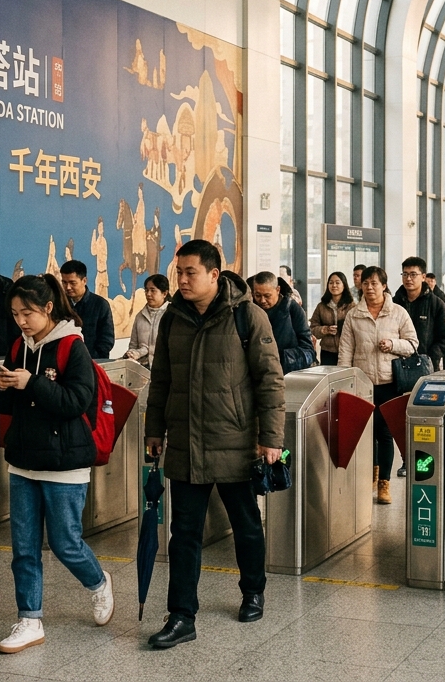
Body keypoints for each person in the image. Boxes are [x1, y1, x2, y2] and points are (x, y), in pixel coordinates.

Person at [144, 240, 285, 649]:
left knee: (246, 524)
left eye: (190, 272)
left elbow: (269, 380)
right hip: (187, 442)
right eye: (178, 272)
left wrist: (270, 438)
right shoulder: (172, 318)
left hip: (236, 440)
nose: (182, 280)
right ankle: (182, 615)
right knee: (183, 532)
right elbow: (161, 380)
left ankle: (253, 590)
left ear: (213, 275)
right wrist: (155, 429)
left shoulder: (248, 316)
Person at [0, 274, 115, 654]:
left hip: (66, 463)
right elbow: (7, 407)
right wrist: (2, 386)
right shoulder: (18, 347)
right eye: (15, 314)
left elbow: (75, 401)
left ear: (47, 308)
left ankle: (99, 583)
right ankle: (29, 619)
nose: (21, 321)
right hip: (23, 460)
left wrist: (31, 384)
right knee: (23, 546)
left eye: (27, 313)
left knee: (65, 542)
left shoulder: (72, 347)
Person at [339, 265, 418, 505]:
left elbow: (413, 344)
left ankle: (384, 482)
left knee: (384, 433)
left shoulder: (398, 312)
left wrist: (393, 344)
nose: (369, 288)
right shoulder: (354, 314)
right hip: (363, 383)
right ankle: (370, 476)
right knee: (365, 432)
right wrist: (344, 379)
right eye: (365, 283)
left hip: (388, 382)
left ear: (384, 285)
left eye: (374, 283)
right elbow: (346, 349)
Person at [394, 256, 445, 370]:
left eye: (413, 274)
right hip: (398, 366)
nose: (408, 279)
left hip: (427, 366)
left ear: (423, 277)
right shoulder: (394, 303)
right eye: (405, 274)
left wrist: (431, 357)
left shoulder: (436, 303)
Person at [250, 271, 315, 373]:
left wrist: (279, 357)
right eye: (257, 295)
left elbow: (308, 351)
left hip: (286, 375)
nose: (262, 300)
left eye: (267, 296)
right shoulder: (249, 310)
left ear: (278, 290)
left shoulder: (293, 309)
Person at [60, 260, 114, 359]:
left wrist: (89, 358)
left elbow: (107, 340)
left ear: (84, 281)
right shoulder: (60, 304)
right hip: (66, 361)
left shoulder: (100, 305)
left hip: (94, 362)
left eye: (72, 283)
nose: (68, 287)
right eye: (64, 282)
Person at [310, 271, 354, 366]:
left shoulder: (352, 306)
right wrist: (325, 330)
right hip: (327, 351)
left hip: (347, 350)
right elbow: (312, 329)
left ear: (344, 285)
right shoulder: (321, 306)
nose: (334, 285)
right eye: (331, 283)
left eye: (337, 282)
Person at [125, 274, 170, 368]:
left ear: (164, 293)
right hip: (144, 369)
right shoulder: (140, 316)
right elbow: (133, 345)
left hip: (165, 369)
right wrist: (134, 353)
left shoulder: (171, 315)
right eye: (146, 290)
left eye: (153, 290)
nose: (148, 294)